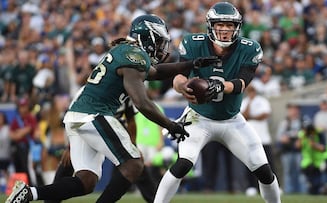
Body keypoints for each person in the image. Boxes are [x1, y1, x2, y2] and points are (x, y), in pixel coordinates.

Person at [6, 14, 219, 203]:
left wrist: (191, 64)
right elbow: (141, 102)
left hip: (78, 116)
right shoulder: (133, 56)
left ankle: (29, 194)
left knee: (86, 181)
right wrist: (171, 125)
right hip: (94, 114)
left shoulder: (128, 52)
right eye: (160, 41)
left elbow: (155, 72)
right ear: (148, 37)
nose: (163, 47)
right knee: (134, 164)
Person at [154, 2, 281, 203]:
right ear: (211, 26)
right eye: (220, 24)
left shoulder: (249, 48)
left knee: (264, 171)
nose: (224, 29)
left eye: (229, 25)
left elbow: (242, 82)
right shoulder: (194, 44)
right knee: (183, 164)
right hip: (198, 117)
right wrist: (183, 87)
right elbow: (178, 76)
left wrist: (222, 87)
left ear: (237, 27)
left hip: (232, 120)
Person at [240, 85, 275, 196]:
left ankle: (273, 187)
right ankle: (251, 187)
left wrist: (251, 117)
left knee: (268, 164)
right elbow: (243, 116)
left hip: (264, 139)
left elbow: (265, 115)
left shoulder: (262, 101)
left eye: (253, 91)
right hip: (249, 140)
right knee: (250, 164)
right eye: (249, 91)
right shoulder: (244, 101)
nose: (251, 93)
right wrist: (250, 103)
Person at [296, 124, 327, 195]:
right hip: (307, 161)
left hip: (320, 160)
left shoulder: (319, 133)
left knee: (320, 177)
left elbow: (323, 148)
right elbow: (298, 147)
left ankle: (323, 188)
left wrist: (314, 145)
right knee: (310, 178)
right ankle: (315, 189)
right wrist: (302, 138)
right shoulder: (302, 135)